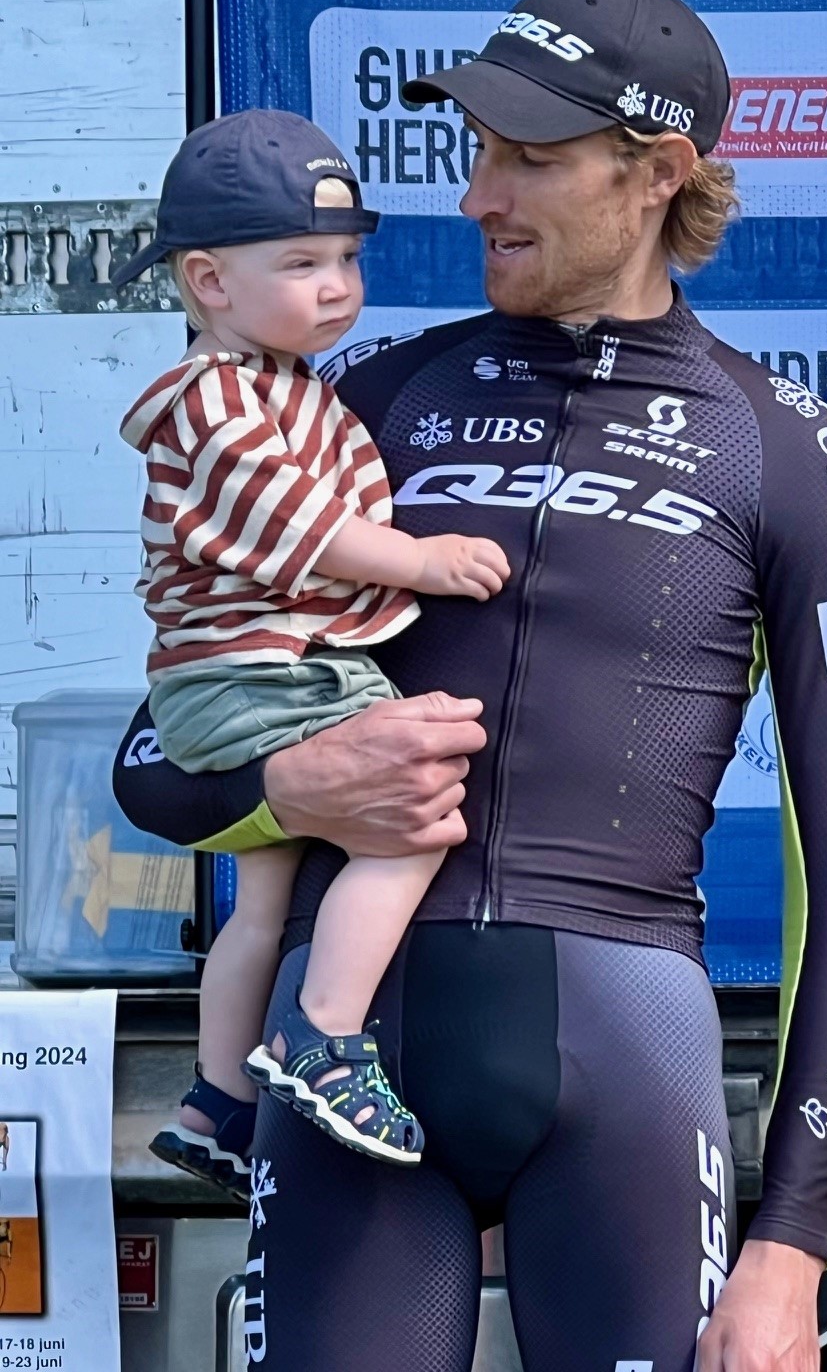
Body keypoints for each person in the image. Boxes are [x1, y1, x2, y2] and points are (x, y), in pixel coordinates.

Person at [114, 0, 827, 1372]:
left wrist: (791, 1238)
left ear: (658, 173)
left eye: (528, 158)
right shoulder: (367, 401)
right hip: (350, 1056)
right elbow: (152, 761)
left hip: (623, 1052)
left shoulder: (781, 444)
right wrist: (293, 783)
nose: (479, 195)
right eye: (477, 151)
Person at [122, 111, 512, 1196]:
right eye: (301, 263)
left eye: (346, 258)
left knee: (259, 903)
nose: (338, 286)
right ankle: (324, 1037)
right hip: (263, 672)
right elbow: (302, 528)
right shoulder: (213, 397)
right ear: (208, 281)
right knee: (409, 825)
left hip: (249, 673)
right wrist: (424, 562)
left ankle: (214, 1105)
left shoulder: (287, 382)